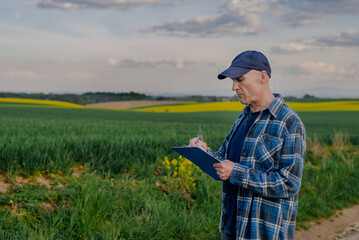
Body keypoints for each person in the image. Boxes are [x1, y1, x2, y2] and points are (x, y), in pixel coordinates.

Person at [189, 50, 306, 240]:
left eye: (240, 79)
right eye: (233, 81)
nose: (234, 87)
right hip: (232, 224)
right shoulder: (243, 116)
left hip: (262, 231)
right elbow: (226, 162)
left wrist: (236, 172)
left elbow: (289, 184)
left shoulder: (289, 122)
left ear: (262, 76)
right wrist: (203, 152)